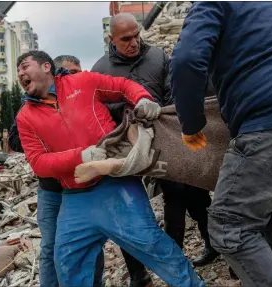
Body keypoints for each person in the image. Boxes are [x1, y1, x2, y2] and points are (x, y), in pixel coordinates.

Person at [16, 50, 204, 287]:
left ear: (45, 67)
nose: (20, 73)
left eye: (24, 66)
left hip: (115, 186)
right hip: (76, 199)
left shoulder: (83, 82)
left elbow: (123, 86)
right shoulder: (25, 117)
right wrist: (80, 156)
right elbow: (38, 163)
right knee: (67, 261)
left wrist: (143, 98)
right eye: (18, 71)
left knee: (151, 243)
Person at [170, 2, 272, 286]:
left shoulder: (214, 3)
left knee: (229, 226)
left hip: (269, 124)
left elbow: (187, 59)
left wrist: (190, 125)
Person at [9, 55, 152, 287]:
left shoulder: (84, 89)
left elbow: (117, 96)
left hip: (94, 183)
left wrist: (139, 102)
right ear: (54, 72)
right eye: (68, 73)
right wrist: (70, 151)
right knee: (51, 248)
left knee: (92, 244)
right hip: (53, 190)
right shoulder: (30, 108)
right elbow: (23, 146)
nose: (73, 77)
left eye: (77, 72)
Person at [91, 12, 218, 267]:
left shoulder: (158, 56)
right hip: (135, 146)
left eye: (137, 35)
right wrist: (129, 113)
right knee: (171, 197)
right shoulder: (101, 70)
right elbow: (101, 110)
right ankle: (173, 261)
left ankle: (213, 245)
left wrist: (165, 116)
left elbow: (174, 93)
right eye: (126, 39)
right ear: (111, 39)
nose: (134, 42)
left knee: (195, 192)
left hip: (172, 137)